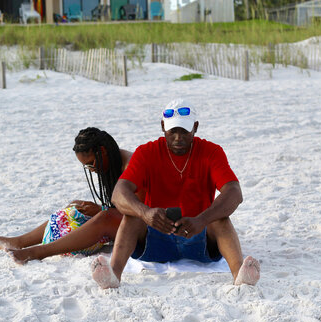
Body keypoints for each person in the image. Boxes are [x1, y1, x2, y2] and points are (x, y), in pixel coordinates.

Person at [91, 99, 260, 289]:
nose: (178, 138)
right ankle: (113, 274)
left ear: (195, 127)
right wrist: (145, 212)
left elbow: (235, 192)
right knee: (132, 216)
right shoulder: (146, 152)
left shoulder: (212, 151)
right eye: (173, 131)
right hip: (155, 239)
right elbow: (118, 193)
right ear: (163, 126)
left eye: (184, 131)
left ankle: (240, 275)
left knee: (221, 219)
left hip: (198, 236)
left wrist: (202, 220)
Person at [0, 127, 134, 264]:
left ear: (102, 151)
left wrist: (102, 210)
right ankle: (19, 241)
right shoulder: (112, 161)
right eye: (85, 166)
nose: (90, 169)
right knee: (76, 208)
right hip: (131, 220)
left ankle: (37, 252)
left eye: (90, 163)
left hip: (146, 229)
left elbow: (139, 213)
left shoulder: (130, 165)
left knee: (105, 217)